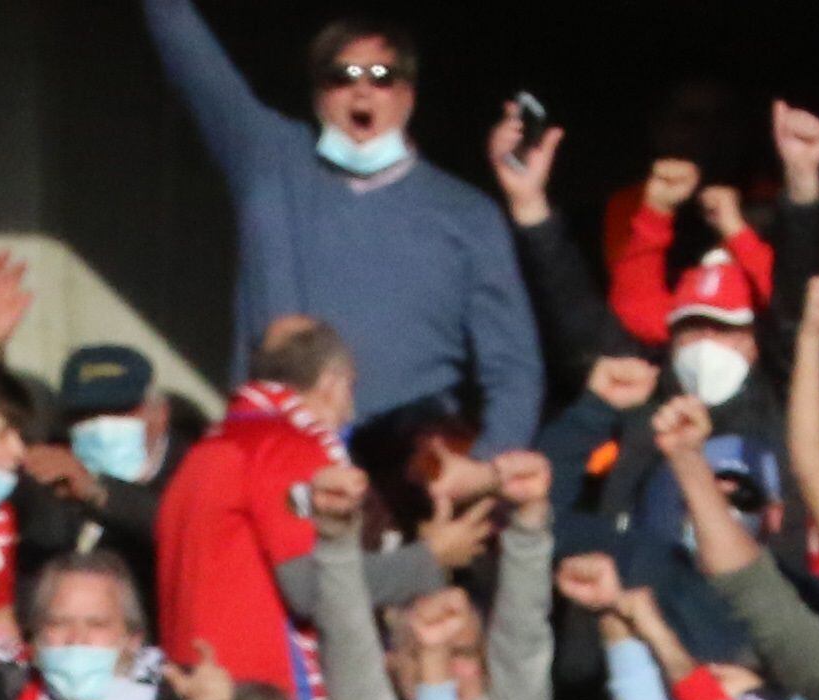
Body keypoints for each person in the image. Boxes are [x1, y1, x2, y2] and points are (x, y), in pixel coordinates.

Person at [132, 3, 538, 451]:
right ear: (318, 96)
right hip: (275, 452)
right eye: (340, 77)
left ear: (408, 94)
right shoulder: (270, 160)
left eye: (381, 76)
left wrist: (482, 468)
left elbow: (514, 369)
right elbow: (192, 58)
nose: (361, 92)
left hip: (403, 462)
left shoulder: (469, 215)